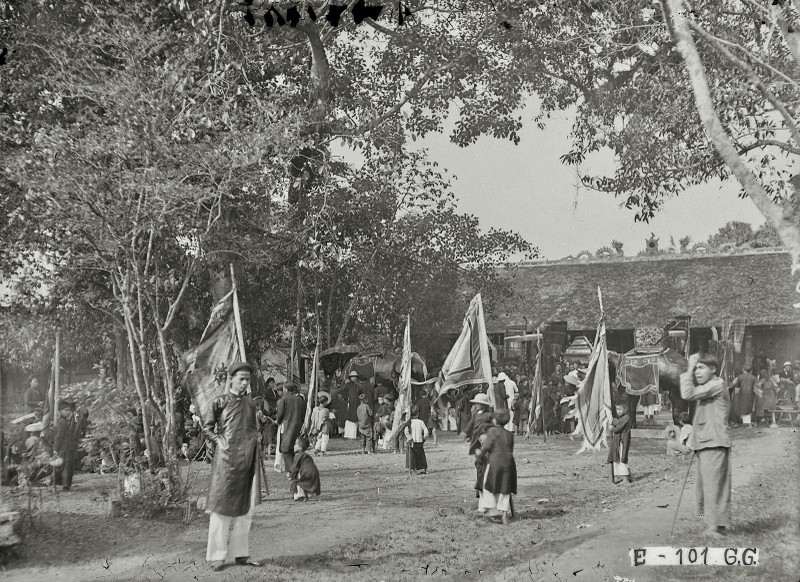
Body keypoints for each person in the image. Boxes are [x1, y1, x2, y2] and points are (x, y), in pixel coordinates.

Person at [202, 362, 263, 571]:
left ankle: (241, 554)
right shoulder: (218, 401)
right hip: (225, 463)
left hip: (247, 460)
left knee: (245, 510)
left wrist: (255, 443)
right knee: (221, 510)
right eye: (241, 379)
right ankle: (217, 557)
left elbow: (252, 429)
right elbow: (207, 428)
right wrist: (221, 442)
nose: (245, 382)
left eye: (247, 379)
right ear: (232, 379)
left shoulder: (251, 404)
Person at [680, 352, 731, 538]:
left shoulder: (716, 385)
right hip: (706, 442)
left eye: (700, 368)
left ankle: (714, 527)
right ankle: (717, 524)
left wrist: (688, 368)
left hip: (713, 442)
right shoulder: (708, 387)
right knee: (706, 486)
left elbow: (687, 393)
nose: (696, 372)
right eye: (696, 369)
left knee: (713, 486)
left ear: (713, 369)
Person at [477, 409, 517, 525]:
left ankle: (490, 509)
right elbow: (510, 448)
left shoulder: (492, 431)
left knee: (486, 484)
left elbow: (487, 447)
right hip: (509, 462)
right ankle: (505, 514)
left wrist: (480, 455)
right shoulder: (509, 434)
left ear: (495, 420)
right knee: (505, 488)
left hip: (496, 462)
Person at [464, 393, 494, 499]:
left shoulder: (489, 415)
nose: (476, 405)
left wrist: (485, 427)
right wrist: (466, 432)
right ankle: (479, 488)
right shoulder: (475, 414)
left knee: (487, 463)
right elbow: (471, 424)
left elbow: (494, 426)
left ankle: (485, 486)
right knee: (478, 464)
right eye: (476, 403)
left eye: (479, 403)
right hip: (476, 441)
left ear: (484, 405)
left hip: (486, 441)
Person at [276, 383, 305, 475]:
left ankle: (291, 471)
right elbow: (303, 414)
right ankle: (294, 469)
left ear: (286, 390)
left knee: (285, 449)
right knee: (292, 449)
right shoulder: (300, 399)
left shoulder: (284, 399)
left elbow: (280, 413)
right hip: (298, 426)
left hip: (287, 425)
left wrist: (277, 421)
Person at [53, 400, 79, 491]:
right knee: (66, 467)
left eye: (68, 410)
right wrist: (56, 448)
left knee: (67, 466)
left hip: (67, 447)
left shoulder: (63, 421)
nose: (68, 412)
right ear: (60, 411)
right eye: (65, 410)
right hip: (65, 448)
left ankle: (65, 485)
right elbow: (59, 436)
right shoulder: (62, 422)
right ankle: (65, 485)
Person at [290, 435, 321, 501]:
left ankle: (300, 495)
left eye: (295, 444)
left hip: (306, 471)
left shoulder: (298, 455)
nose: (293, 446)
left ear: (300, 447)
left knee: (298, 481)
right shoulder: (307, 455)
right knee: (309, 482)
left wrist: (291, 475)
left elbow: (294, 467)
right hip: (314, 471)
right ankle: (310, 494)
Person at [607, 402, 632, 483]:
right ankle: (625, 475)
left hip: (622, 441)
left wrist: (612, 429)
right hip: (618, 441)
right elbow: (618, 423)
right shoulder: (621, 418)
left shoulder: (626, 418)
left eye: (620, 409)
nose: (619, 411)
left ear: (625, 409)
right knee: (617, 458)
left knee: (622, 458)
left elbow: (618, 428)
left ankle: (625, 478)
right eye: (617, 409)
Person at [404, 405, 429, 475]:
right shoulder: (420, 422)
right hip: (419, 441)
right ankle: (423, 468)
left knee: (411, 456)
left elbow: (406, 431)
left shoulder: (409, 422)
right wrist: (425, 437)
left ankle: (412, 468)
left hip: (411, 442)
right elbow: (426, 431)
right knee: (421, 455)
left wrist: (409, 438)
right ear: (418, 413)